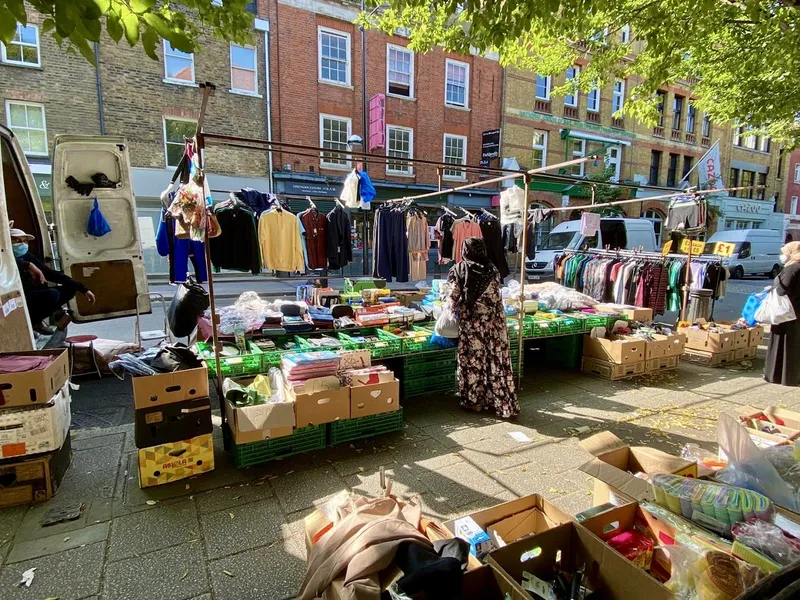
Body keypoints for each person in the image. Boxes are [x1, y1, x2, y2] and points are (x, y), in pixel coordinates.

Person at [446, 237, 519, 418]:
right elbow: (496, 297)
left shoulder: (460, 269)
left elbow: (453, 299)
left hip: (473, 326)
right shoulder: (492, 269)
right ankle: (498, 401)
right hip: (495, 325)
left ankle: (474, 401)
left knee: (472, 362)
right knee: (494, 362)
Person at [10, 226, 96, 334]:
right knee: (52, 294)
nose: (21, 244)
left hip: (32, 295)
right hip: (16, 297)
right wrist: (27, 266)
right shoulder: (6, 259)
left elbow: (51, 274)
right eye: (16, 240)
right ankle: (34, 321)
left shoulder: (27, 256)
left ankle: (36, 321)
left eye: (24, 241)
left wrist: (82, 288)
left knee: (70, 289)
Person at [764, 241, 800, 386]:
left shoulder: (792, 269)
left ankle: (777, 375)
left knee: (782, 345)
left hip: (786, 313)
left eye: (785, 252)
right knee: (795, 345)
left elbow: (781, 290)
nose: (783, 256)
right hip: (797, 311)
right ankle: (793, 376)